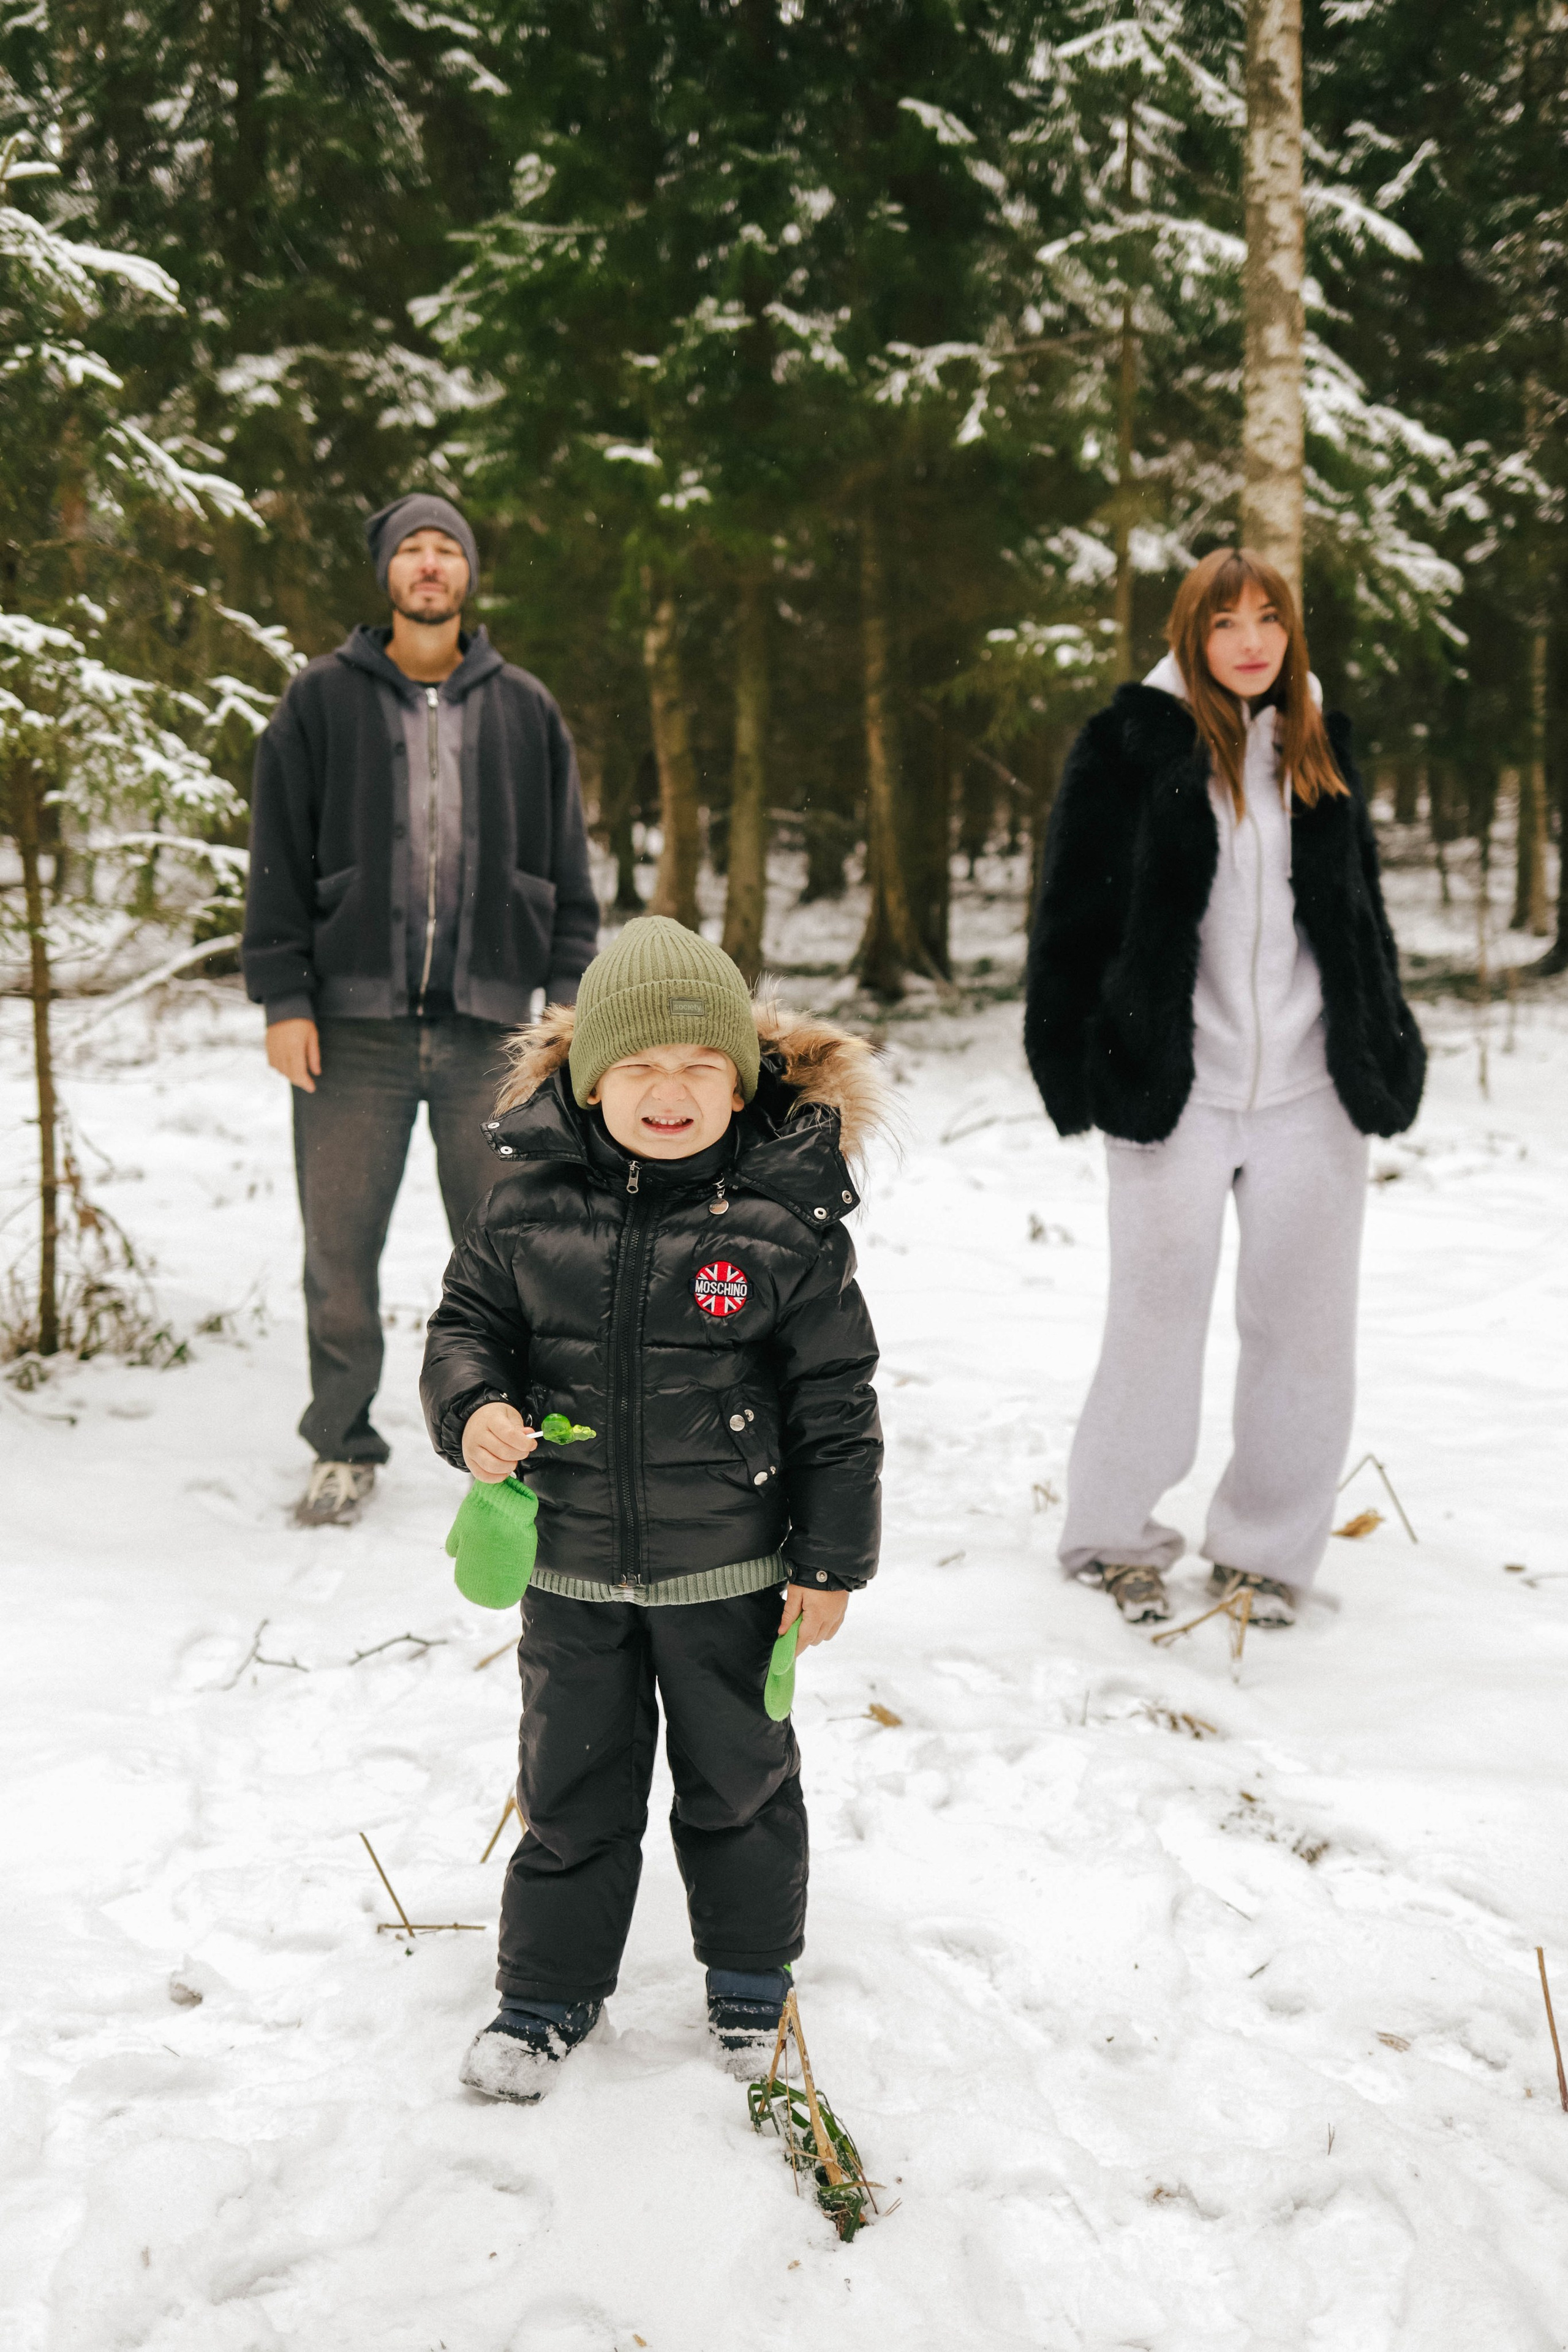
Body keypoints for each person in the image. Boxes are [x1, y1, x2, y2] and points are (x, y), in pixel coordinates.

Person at [420, 918, 885, 2101]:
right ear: (589, 1080)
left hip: (732, 1572)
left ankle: (750, 1984)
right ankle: (546, 1995)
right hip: (572, 1569)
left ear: (739, 1084)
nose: (668, 1092)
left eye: (699, 1067)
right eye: (637, 1067)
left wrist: (830, 1561)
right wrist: (473, 1406)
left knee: (741, 1786)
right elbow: (465, 1329)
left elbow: (836, 1402)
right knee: (570, 1789)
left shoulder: (785, 1225)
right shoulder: (523, 1209)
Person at [1024, 548, 1425, 1629]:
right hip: (1175, 1087)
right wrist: (1073, 1056)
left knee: (1306, 1333)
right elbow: (1071, 911)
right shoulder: (1128, 745)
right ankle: (1114, 1538)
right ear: (1190, 637)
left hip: (1309, 1090)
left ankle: (1265, 1555)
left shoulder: (1317, 744)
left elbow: (1358, 913)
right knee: (1153, 1323)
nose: (1251, 642)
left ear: (1291, 633)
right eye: (1224, 623)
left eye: (1268, 620)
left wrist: (1383, 1038)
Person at [242, 492, 599, 1526]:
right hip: (350, 1034)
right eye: (413, 550)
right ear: (388, 574)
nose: (431, 564)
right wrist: (284, 995)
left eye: (448, 548)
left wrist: (569, 1004)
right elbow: (277, 853)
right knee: (339, 1250)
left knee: (509, 1249)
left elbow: (567, 865)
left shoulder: (525, 707)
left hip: (494, 1033)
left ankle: (514, 1438)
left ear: (469, 573)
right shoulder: (320, 699)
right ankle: (342, 1441)